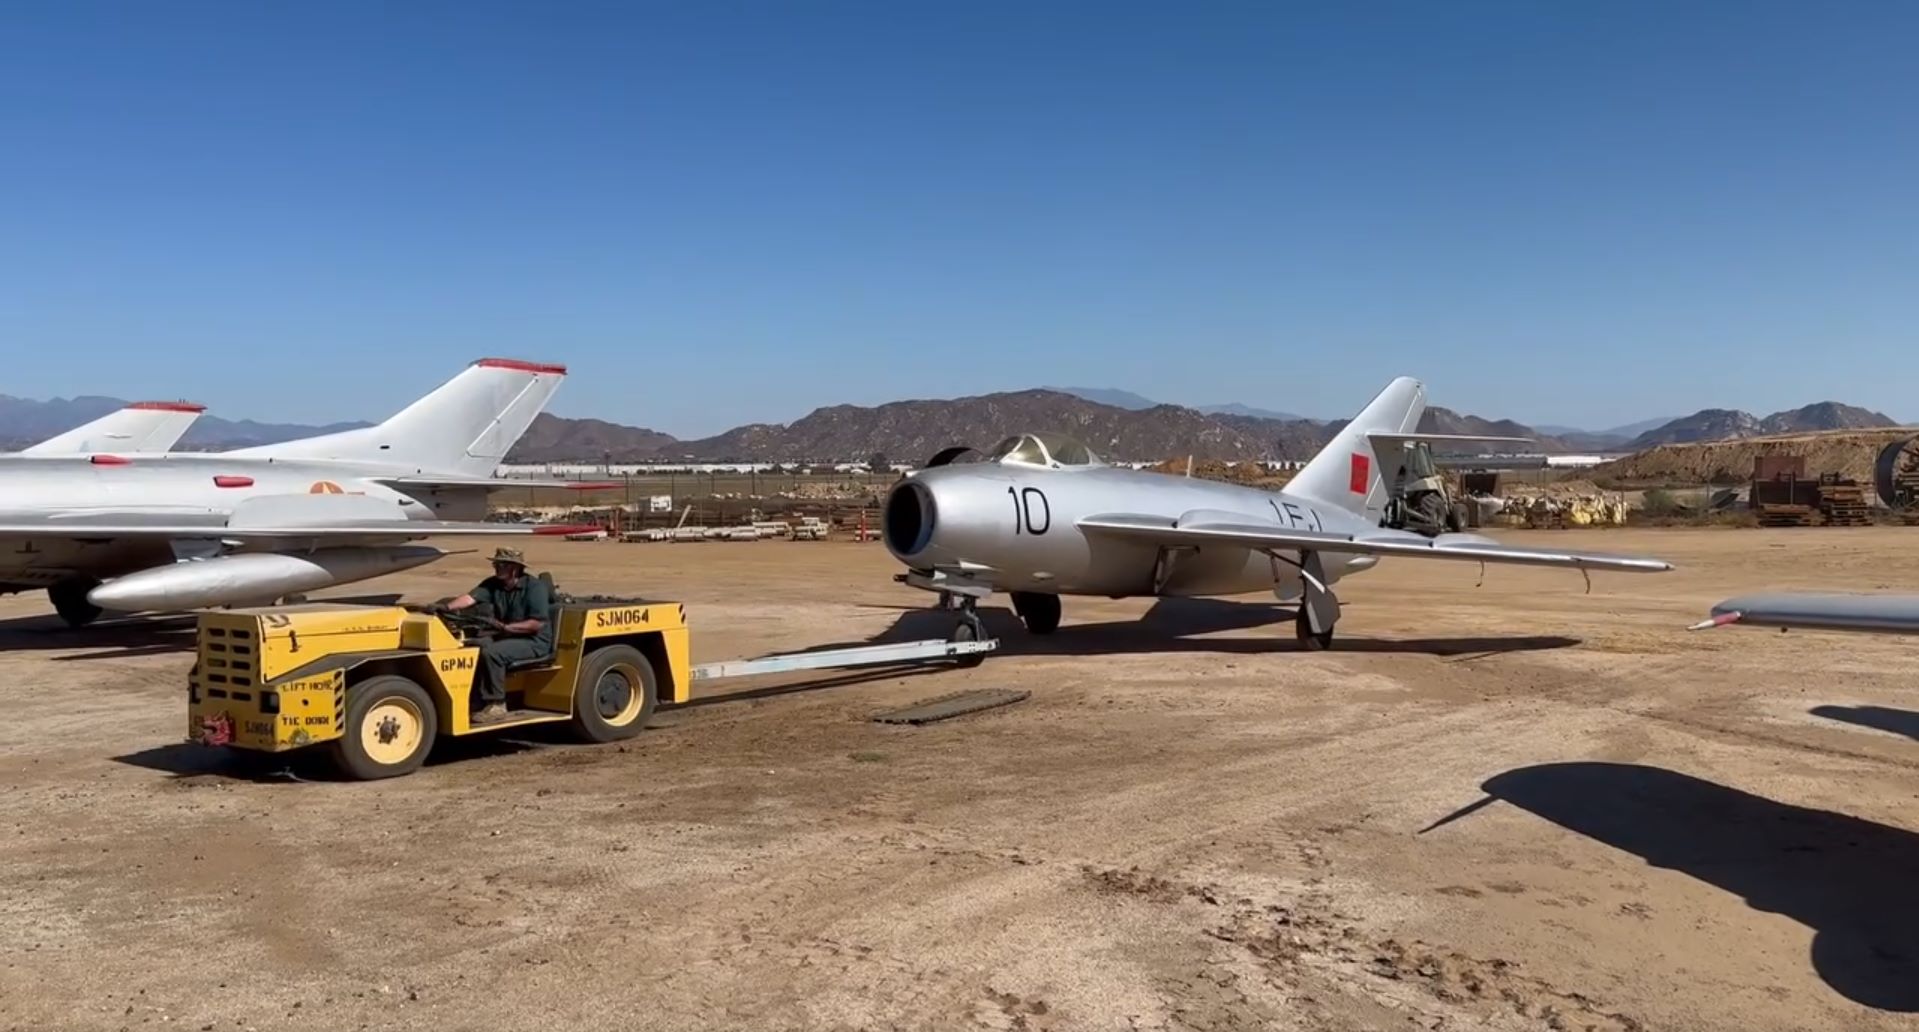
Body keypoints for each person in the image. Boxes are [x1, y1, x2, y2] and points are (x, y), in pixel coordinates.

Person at [443, 546, 554, 723]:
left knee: (493, 653)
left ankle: (497, 704)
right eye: (496, 564)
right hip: (506, 636)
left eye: (501, 565)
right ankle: (475, 698)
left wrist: (507, 628)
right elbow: (470, 598)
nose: (496, 568)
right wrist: (446, 607)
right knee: (473, 646)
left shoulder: (535, 588)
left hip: (534, 641)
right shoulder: (493, 584)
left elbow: (536, 624)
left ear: (515, 568)